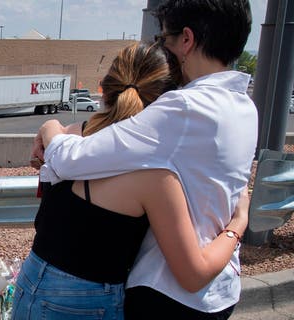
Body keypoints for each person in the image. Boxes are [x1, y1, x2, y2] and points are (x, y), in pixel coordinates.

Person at [32, 0, 256, 318]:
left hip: (168, 295)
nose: (165, 47)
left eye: (165, 39)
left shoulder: (183, 110)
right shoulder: (246, 109)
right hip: (222, 290)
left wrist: (49, 127)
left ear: (187, 40)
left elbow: (71, 160)